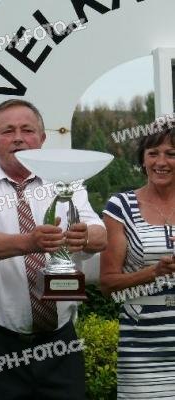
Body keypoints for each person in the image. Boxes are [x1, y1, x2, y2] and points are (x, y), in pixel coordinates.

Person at [0, 99, 107, 400]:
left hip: (60, 343)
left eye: (27, 130)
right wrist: (30, 242)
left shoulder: (67, 181)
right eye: (7, 131)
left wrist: (84, 236)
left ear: (42, 138)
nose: (18, 138)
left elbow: (100, 235)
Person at [100, 127, 175, 399]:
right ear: (142, 160)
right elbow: (107, 285)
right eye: (153, 153)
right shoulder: (120, 206)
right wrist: (154, 272)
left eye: (171, 154)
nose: (161, 162)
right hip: (143, 345)